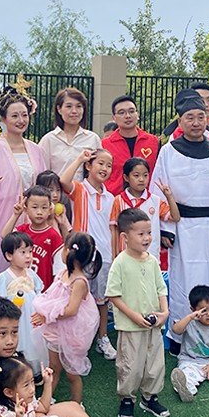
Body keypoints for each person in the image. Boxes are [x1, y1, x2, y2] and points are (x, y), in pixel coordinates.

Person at [152, 89, 209, 344]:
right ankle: (182, 339)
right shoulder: (168, 152)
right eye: (189, 117)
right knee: (184, 283)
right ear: (180, 121)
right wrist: (166, 228)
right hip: (183, 229)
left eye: (200, 117)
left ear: (207, 119)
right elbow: (158, 191)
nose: (195, 123)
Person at [0, 89, 46, 297]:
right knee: (6, 273)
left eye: (24, 115)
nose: (21, 120)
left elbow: (43, 186)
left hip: (34, 220)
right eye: (14, 116)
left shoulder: (36, 150)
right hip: (5, 219)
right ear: (4, 119)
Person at [106, 208, 170, 417]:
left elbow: (161, 288)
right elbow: (113, 294)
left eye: (149, 233)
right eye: (141, 234)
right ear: (125, 237)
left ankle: (150, 397)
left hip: (154, 325)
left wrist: (165, 312)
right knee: (130, 365)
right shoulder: (120, 263)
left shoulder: (152, 261)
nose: (147, 238)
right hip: (131, 326)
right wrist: (133, 316)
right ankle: (127, 398)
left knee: (155, 364)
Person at [59, 148, 117, 360]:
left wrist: (114, 255)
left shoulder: (111, 198)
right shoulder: (81, 189)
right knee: (77, 297)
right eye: (100, 163)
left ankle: (102, 339)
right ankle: (74, 340)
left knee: (102, 301)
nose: (105, 168)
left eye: (109, 165)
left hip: (104, 256)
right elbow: (63, 181)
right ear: (89, 166)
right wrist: (79, 158)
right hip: (82, 255)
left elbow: (113, 229)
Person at [32, 232, 101, 403]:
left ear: (69, 251)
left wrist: (47, 316)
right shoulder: (63, 273)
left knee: (72, 374)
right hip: (57, 329)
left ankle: (77, 404)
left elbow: (71, 310)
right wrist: (44, 312)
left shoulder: (79, 282)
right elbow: (52, 296)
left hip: (73, 332)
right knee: (54, 368)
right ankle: (45, 400)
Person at [0, 232, 47, 377]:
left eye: (30, 252)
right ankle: (11, 372)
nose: (28, 256)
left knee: (32, 344)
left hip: (30, 320)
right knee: (13, 341)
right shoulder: (5, 277)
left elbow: (39, 294)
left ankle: (32, 372)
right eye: (23, 252)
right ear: (9, 256)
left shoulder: (31, 274)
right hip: (13, 319)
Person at [109, 157, 179, 260]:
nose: (141, 179)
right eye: (136, 175)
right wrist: (115, 255)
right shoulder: (118, 200)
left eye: (145, 175)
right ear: (126, 177)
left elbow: (175, 217)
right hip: (126, 257)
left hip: (150, 256)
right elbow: (114, 230)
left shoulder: (155, 201)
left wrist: (169, 196)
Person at [1, 186, 65, 289]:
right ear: (26, 209)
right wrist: (16, 215)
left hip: (42, 292)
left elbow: (59, 270)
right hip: (20, 289)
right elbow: (5, 236)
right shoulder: (22, 230)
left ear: (50, 210)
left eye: (44, 208)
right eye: (35, 207)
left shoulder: (53, 236)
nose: (39, 212)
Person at [38, 87, 102, 182]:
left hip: (84, 191)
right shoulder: (49, 140)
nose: (74, 111)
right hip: (57, 191)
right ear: (59, 109)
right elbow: (43, 174)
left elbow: (99, 169)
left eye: (79, 106)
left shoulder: (93, 138)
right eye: (69, 106)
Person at [102, 95, 160, 196]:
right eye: (122, 112)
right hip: (114, 199)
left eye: (131, 111)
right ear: (114, 118)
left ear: (137, 114)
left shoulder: (153, 142)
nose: (128, 116)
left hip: (147, 200)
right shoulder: (105, 144)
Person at [36, 170, 72, 237]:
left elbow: (67, 239)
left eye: (58, 190)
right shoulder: (36, 212)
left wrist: (62, 224)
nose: (55, 195)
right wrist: (50, 219)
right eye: (51, 190)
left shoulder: (60, 211)